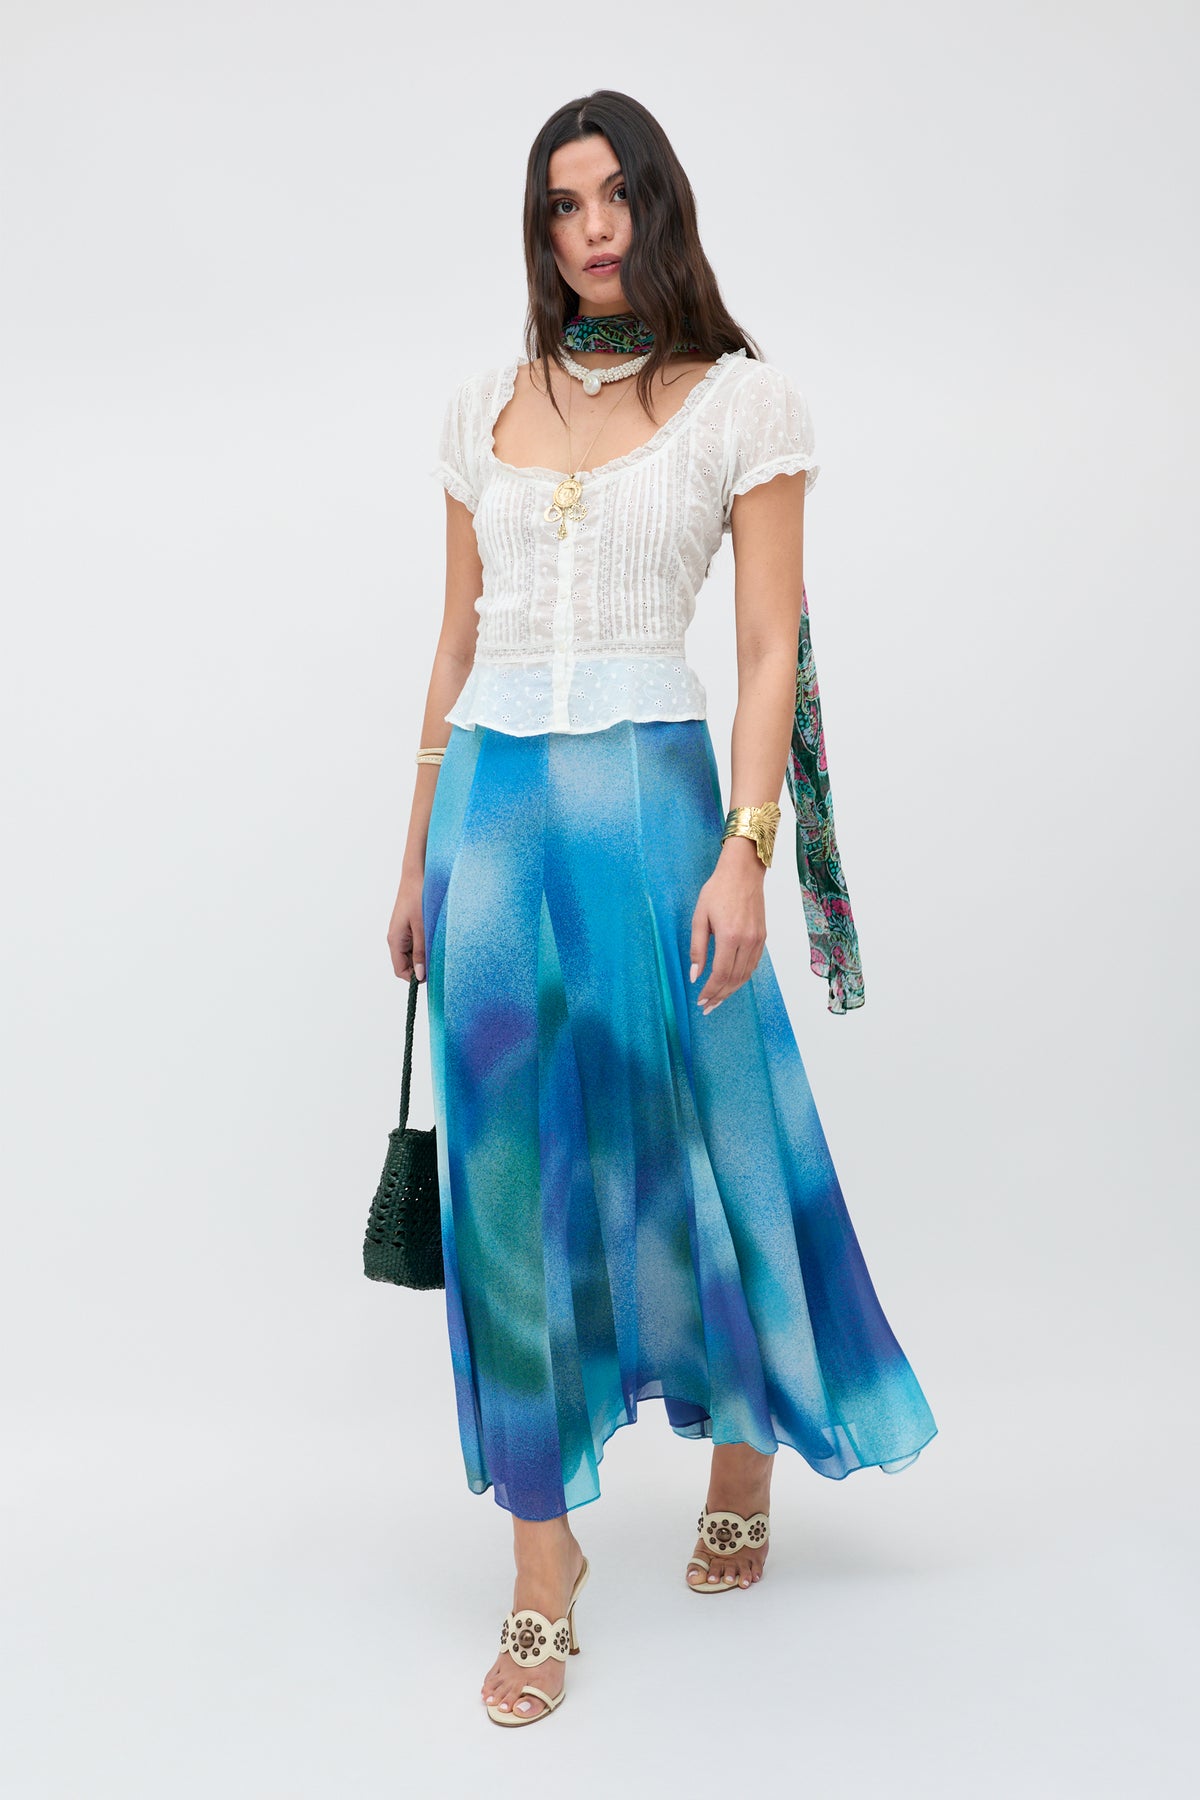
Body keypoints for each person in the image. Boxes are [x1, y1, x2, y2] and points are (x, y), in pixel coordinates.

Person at [386, 89, 937, 1728]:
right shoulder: (482, 403)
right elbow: (451, 649)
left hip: (657, 811)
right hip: (491, 821)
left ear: (661, 206)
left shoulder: (740, 406)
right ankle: (540, 1567)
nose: (594, 226)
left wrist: (747, 850)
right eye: (564, 205)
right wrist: (413, 847)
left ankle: (746, 1441)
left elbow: (767, 648)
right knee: (499, 1180)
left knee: (705, 1133)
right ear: (540, 232)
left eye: (618, 194)